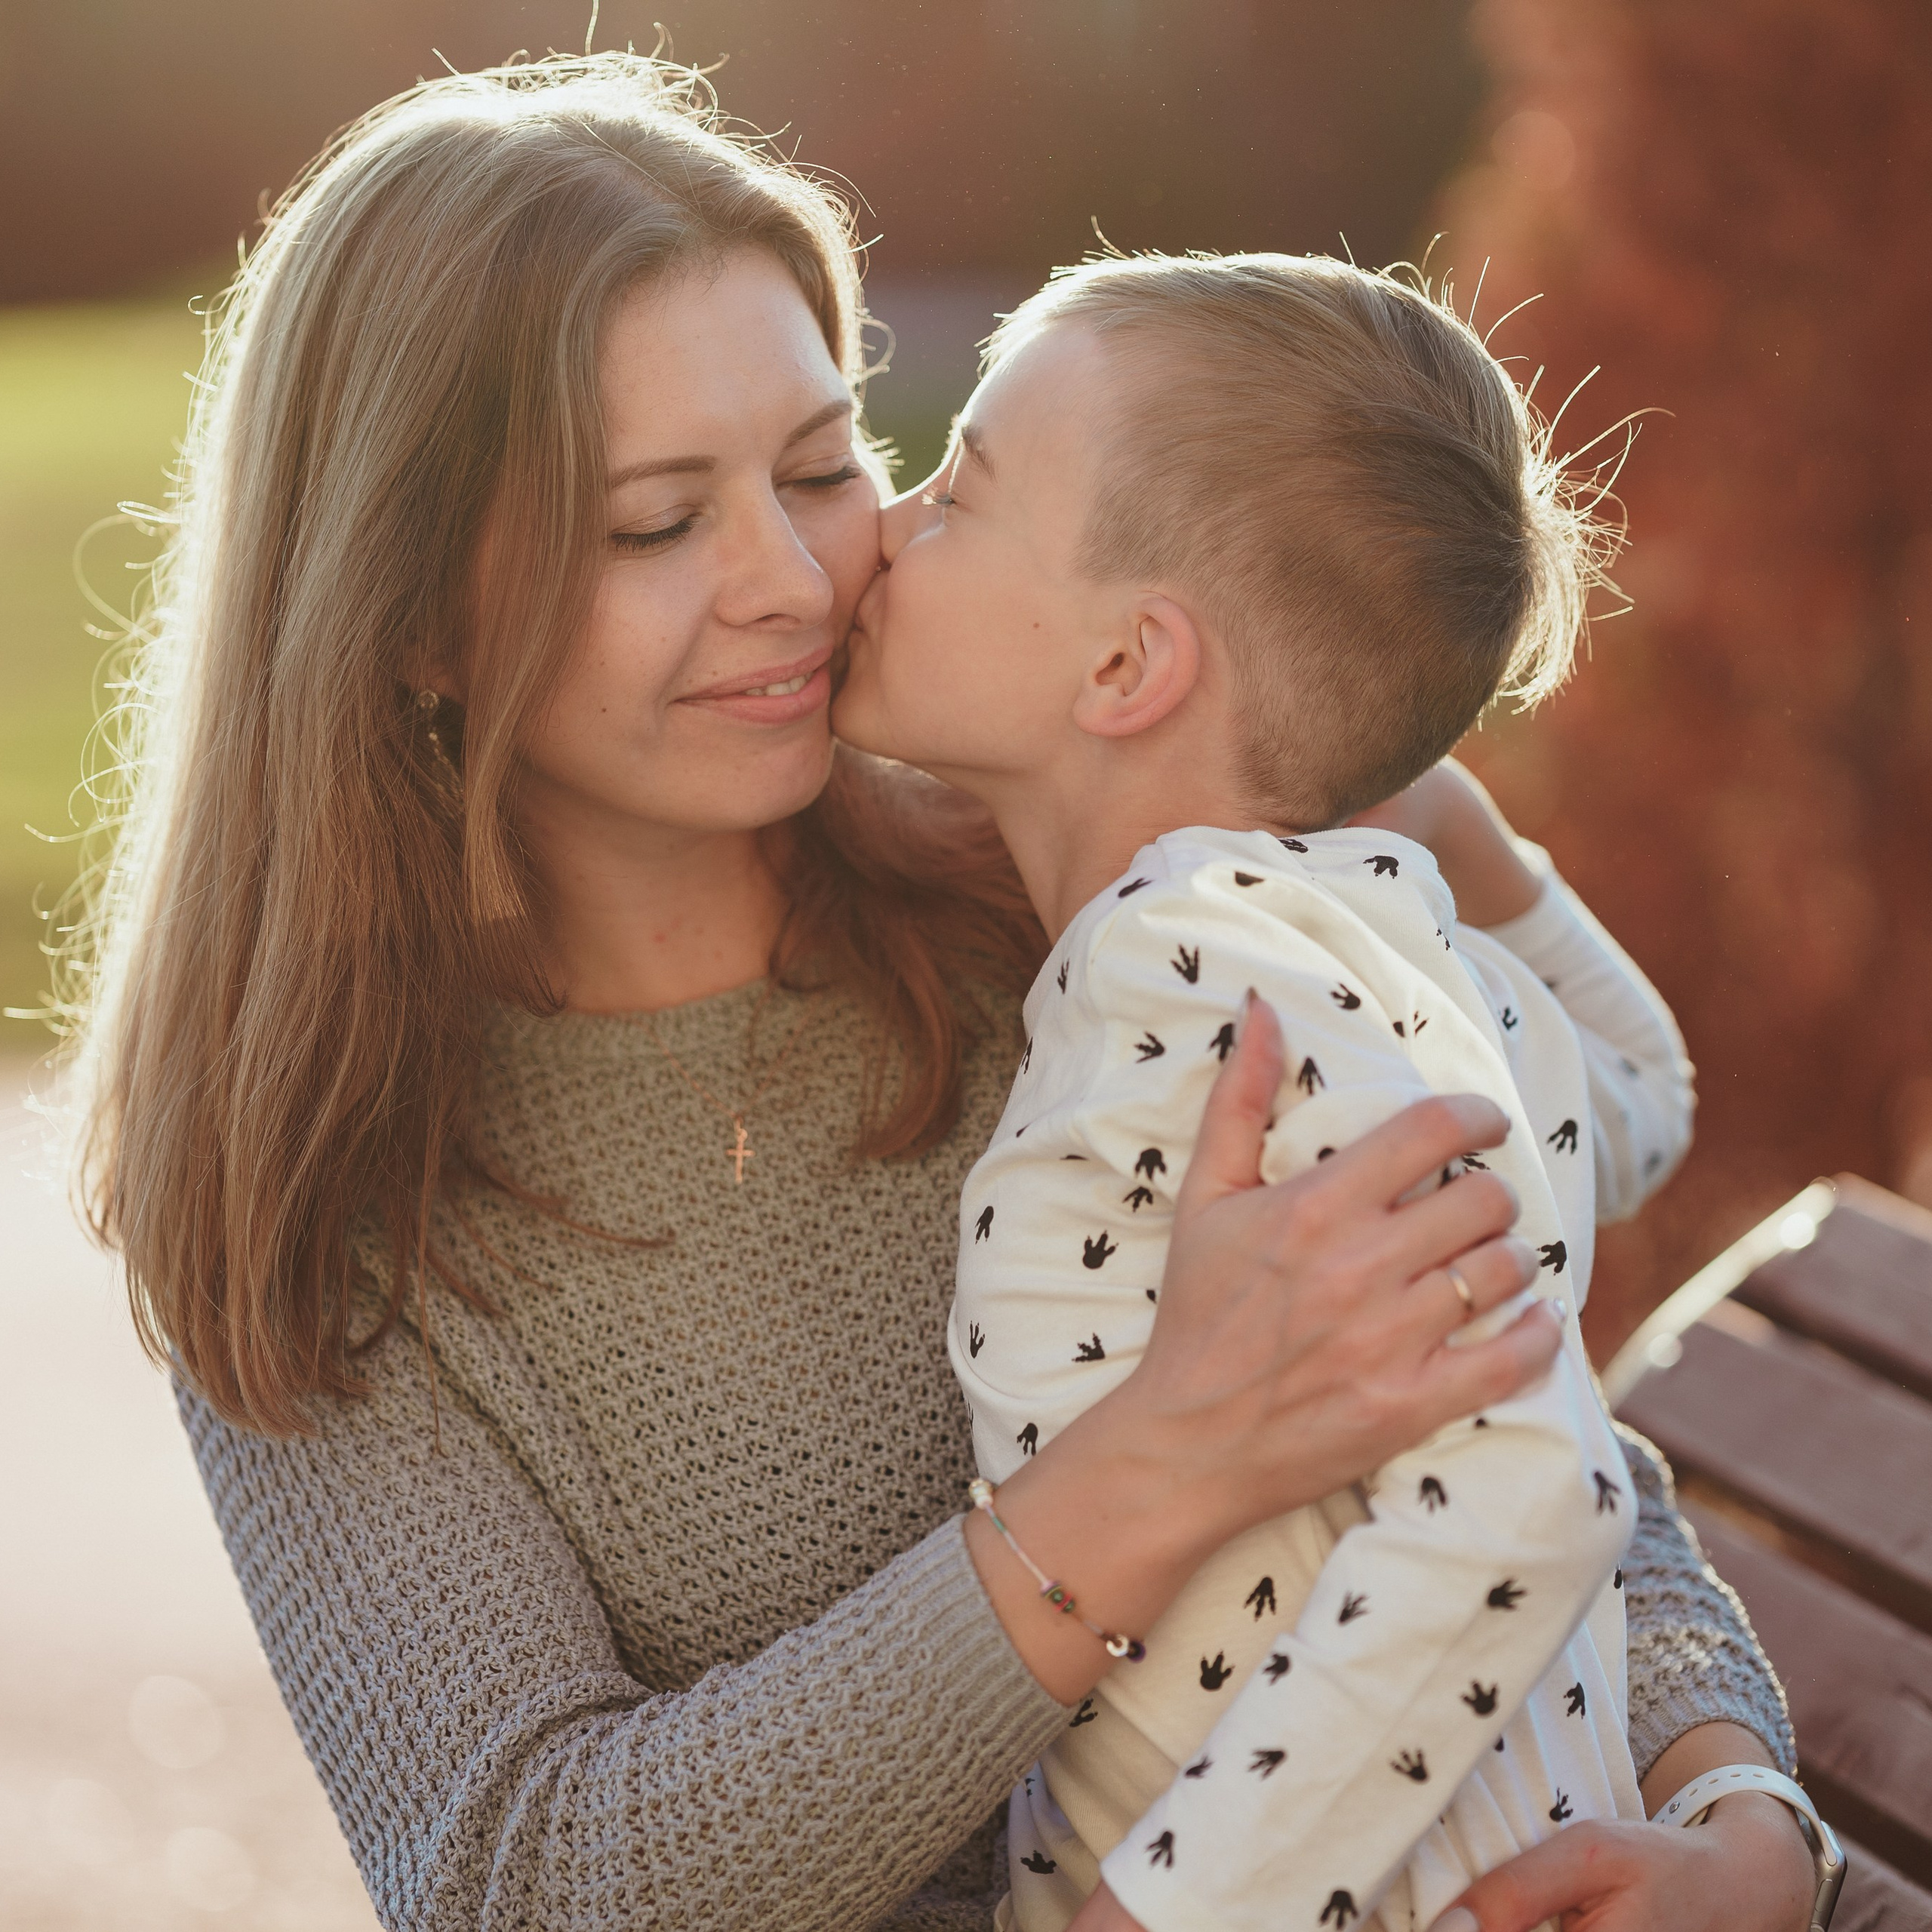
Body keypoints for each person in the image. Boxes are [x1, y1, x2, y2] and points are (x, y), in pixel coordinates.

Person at [62, 52, 1810, 1932]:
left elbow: (1484, 1386)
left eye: (826, 465)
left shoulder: (1072, 904)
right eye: (658, 522)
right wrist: (1155, 1467)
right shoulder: (315, 1197)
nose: (796, 577)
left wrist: (1742, 1811)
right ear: (409, 613)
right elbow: (525, 1876)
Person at [829, 251, 1695, 1932]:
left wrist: (1165, 1911)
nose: (886, 521)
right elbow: (1642, 1098)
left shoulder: (1217, 973)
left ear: (1124, 670)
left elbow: (1531, 1483)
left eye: (959, 488)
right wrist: (1444, 813)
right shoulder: (1398, 952)